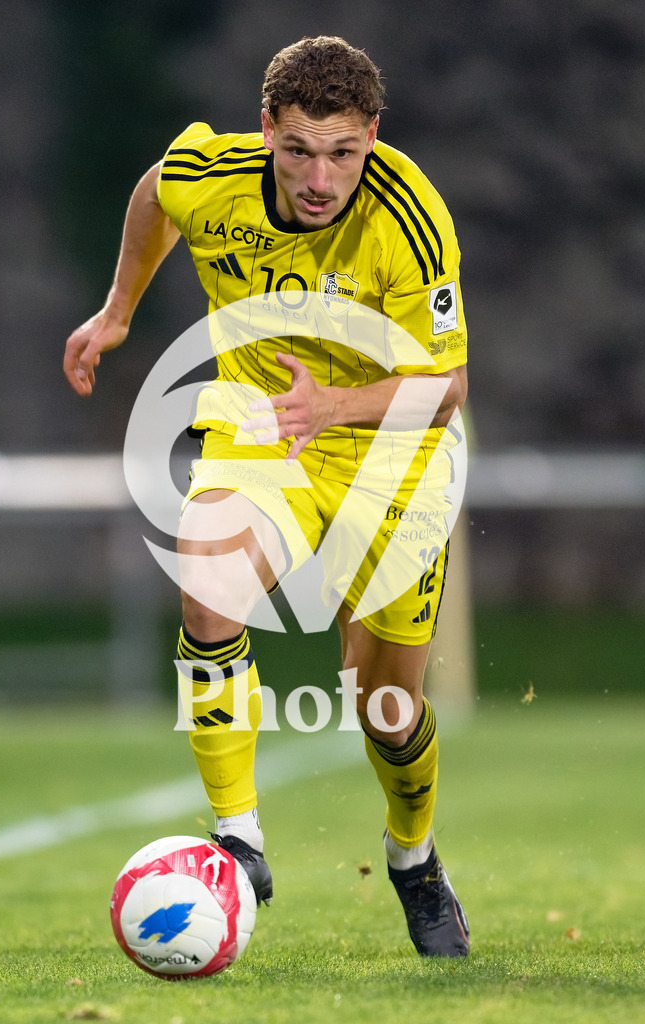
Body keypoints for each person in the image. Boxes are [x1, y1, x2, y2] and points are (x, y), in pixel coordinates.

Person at [64, 35, 470, 958]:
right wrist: (118, 308)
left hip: (388, 453)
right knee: (205, 566)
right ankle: (238, 840)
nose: (319, 178)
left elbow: (446, 389)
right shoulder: (216, 173)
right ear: (266, 133)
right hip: (262, 425)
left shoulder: (410, 216)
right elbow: (154, 191)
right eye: (297, 151)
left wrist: (333, 404)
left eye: (341, 153)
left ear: (373, 135)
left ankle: (413, 857)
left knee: (386, 711)